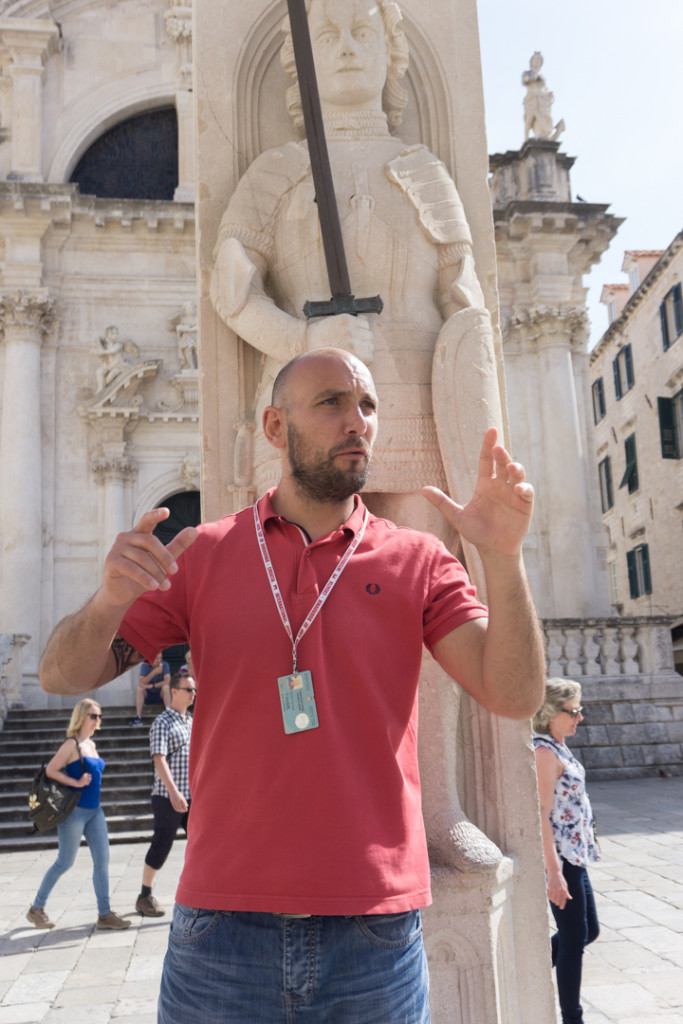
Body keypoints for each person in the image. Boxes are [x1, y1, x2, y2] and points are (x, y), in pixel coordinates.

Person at [39, 349, 544, 1022]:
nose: (356, 421)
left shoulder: (419, 560)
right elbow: (61, 675)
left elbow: (512, 695)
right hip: (222, 927)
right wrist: (107, 601)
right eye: (331, 402)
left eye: (367, 406)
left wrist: (502, 560)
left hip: (374, 932)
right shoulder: (204, 554)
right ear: (276, 428)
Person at [210, 0, 508, 873]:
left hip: (413, 407)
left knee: (432, 606)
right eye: (328, 33)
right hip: (314, 414)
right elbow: (233, 291)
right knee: (301, 617)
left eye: (360, 32)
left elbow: (466, 309)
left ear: (391, 52)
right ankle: (310, 812)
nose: (342, 47)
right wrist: (302, 341)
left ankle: (439, 805)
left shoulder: (423, 168)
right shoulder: (274, 172)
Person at [26, 698, 130, 931]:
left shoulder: (90, 744)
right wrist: (75, 781)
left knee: (102, 861)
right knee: (65, 862)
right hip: (74, 812)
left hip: (95, 811)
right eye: (93, 716)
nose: (97, 720)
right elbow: (51, 770)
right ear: (81, 717)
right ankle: (36, 909)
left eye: (99, 716)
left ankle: (105, 914)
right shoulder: (71, 744)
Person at [533, 679, 600, 1024]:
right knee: (575, 937)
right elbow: (541, 814)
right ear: (550, 712)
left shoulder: (557, 745)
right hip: (561, 860)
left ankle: (527, 968)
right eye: (573, 711)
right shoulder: (543, 752)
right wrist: (554, 873)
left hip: (575, 855)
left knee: (589, 931)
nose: (580, 717)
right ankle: (573, 1018)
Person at [135, 670, 195, 917]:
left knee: (201, 843)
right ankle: (144, 894)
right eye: (189, 690)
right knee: (162, 844)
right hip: (167, 796)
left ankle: (198, 892)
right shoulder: (162, 722)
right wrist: (173, 792)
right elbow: (159, 760)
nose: (194, 694)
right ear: (174, 691)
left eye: (194, 690)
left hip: (192, 796)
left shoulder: (191, 721)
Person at [130, 650, 170, 725]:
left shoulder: (165, 665)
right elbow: (142, 682)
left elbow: (167, 681)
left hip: (160, 695)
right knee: (139, 688)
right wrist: (154, 672)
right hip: (148, 694)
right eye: (157, 658)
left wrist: (153, 685)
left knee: (166, 687)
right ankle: (138, 717)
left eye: (160, 658)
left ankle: (170, 715)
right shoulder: (145, 665)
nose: (159, 661)